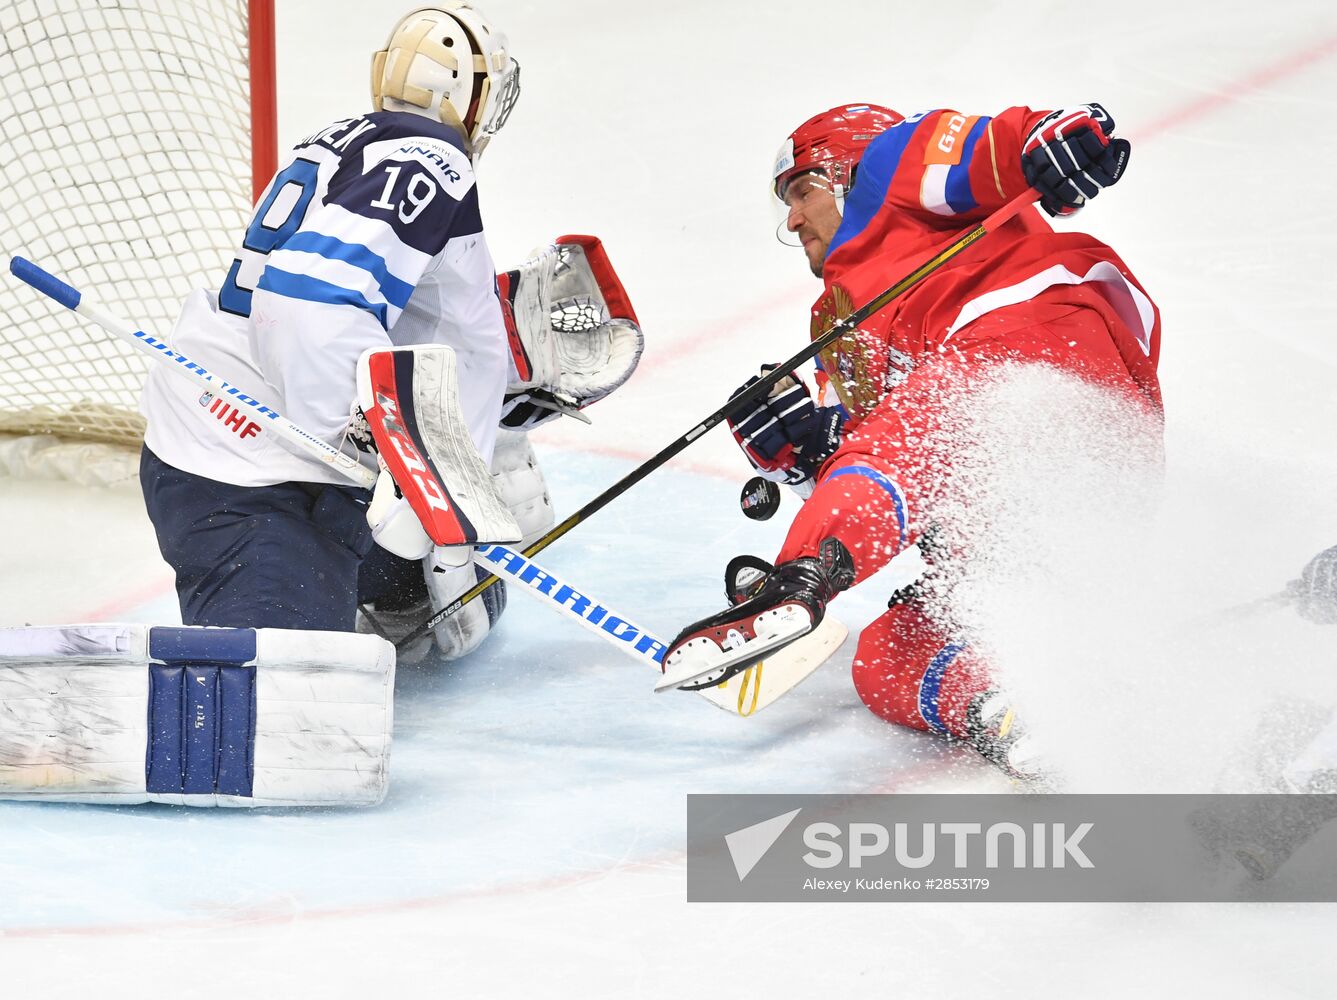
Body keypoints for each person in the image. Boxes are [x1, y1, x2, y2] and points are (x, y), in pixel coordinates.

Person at [663, 102, 1162, 778]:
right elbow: (883, 471)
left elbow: (973, 152)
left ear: (844, 173)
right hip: (1047, 492)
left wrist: (1042, 139)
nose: (791, 219)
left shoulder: (889, 168)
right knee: (885, 654)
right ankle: (1024, 710)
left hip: (1038, 350)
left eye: (800, 191)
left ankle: (802, 575)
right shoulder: (838, 321)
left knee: (921, 430)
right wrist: (802, 453)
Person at [138, 3, 641, 661]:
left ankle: (425, 537)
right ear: (474, 94)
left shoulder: (359, 143)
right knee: (276, 699)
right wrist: (362, 437)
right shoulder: (430, 155)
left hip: (308, 471)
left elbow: (453, 328)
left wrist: (451, 466)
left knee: (433, 621)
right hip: (247, 477)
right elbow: (305, 304)